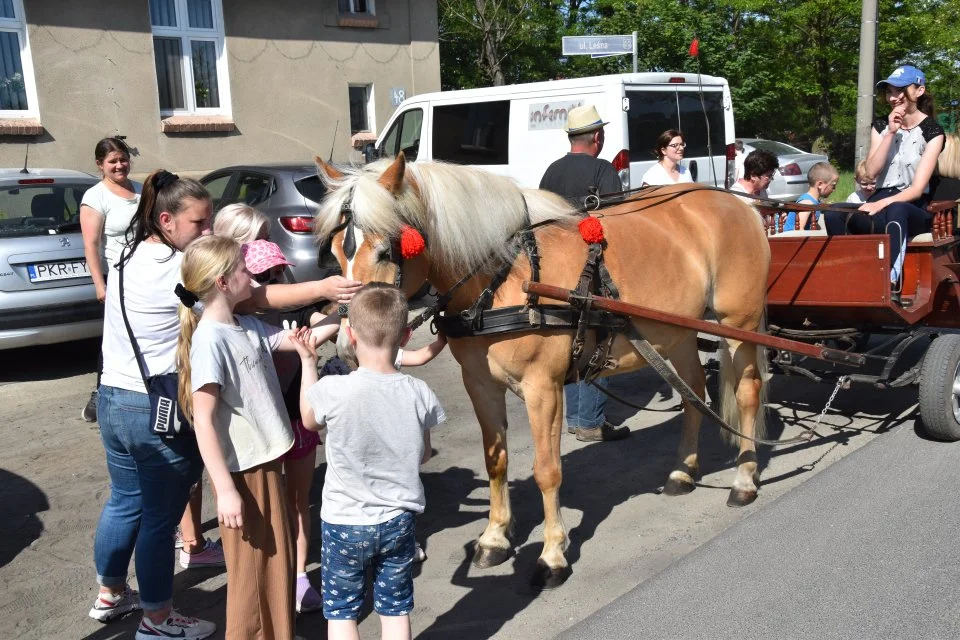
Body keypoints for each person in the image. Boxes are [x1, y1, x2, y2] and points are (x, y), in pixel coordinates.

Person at [88, 169, 362, 638]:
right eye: (200, 223)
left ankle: (111, 592)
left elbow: (261, 321)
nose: (208, 231)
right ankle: (156, 618)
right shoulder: (184, 272)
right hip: (151, 403)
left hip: (113, 395)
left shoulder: (129, 254)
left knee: (125, 502)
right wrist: (323, 289)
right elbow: (257, 298)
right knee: (159, 515)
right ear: (167, 219)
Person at [176, 235, 339, 639]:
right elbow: (204, 421)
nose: (252, 278)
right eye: (244, 270)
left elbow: (306, 339)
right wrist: (225, 490)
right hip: (244, 474)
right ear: (222, 282)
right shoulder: (211, 341)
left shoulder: (245, 326)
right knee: (251, 575)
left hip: (265, 463)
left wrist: (347, 302)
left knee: (276, 563)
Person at [293, 283, 446, 640]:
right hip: (398, 520)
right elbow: (423, 454)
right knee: (394, 610)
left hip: (343, 521)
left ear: (350, 334)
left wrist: (306, 362)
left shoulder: (333, 389)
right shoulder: (418, 392)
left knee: (343, 612)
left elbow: (309, 419)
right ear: (406, 336)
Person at [539, 104, 629, 442]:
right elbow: (619, 221)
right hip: (592, 272)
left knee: (571, 344)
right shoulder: (602, 170)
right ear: (597, 136)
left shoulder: (551, 172)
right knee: (599, 342)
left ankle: (577, 419)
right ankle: (590, 422)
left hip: (556, 273)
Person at [822, 64, 945, 303]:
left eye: (900, 90)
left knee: (896, 210)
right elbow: (870, 173)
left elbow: (917, 189)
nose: (893, 97)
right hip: (879, 200)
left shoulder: (932, 130)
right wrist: (890, 132)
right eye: (889, 91)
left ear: (919, 91)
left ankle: (891, 281)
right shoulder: (880, 126)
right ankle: (847, 274)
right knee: (833, 212)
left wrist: (882, 204)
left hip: (913, 208)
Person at [79, 137, 141, 422]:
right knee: (117, 338)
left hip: (146, 274)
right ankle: (100, 394)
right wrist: (99, 284)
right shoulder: (96, 197)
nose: (120, 165)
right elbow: (91, 245)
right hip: (117, 277)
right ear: (100, 165)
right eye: (113, 161)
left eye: (123, 159)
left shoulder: (141, 191)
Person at [783, 162, 838, 231]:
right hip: (790, 240)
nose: (834, 189)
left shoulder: (813, 201)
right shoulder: (807, 203)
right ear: (820, 184)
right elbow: (798, 230)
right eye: (833, 186)